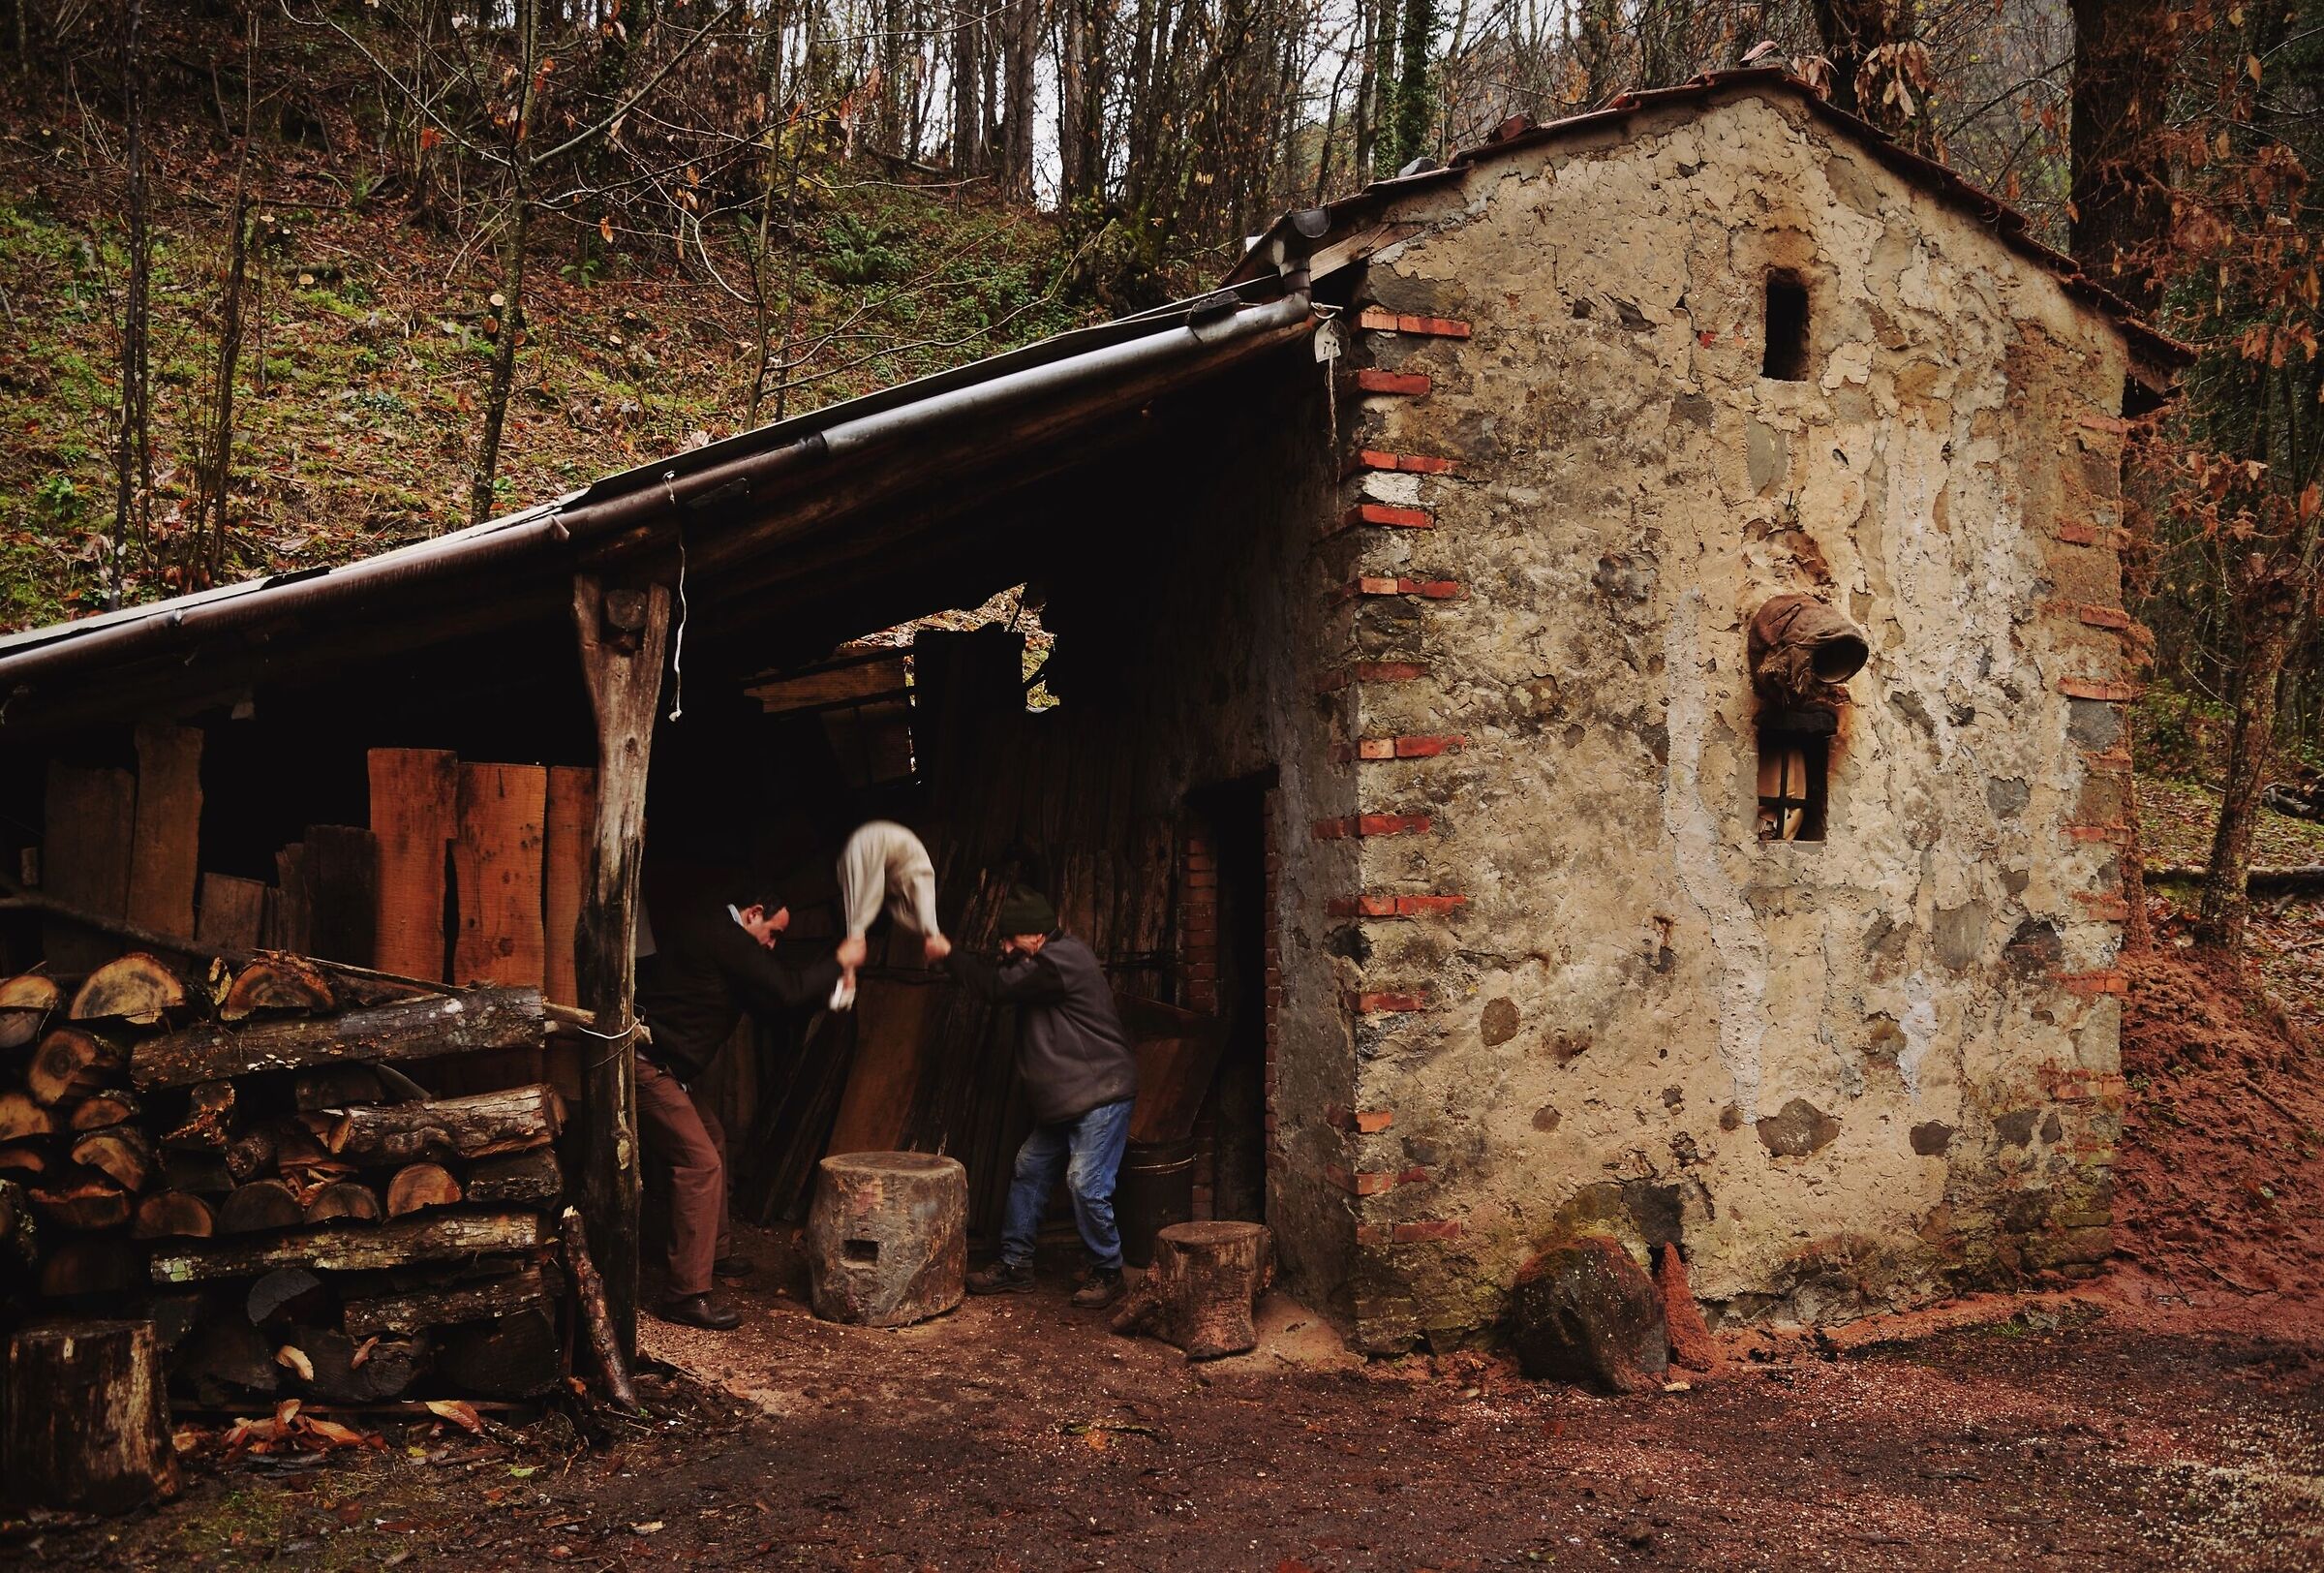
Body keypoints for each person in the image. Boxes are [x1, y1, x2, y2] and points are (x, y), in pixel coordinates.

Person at [633, 883, 841, 1330]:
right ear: (753, 913)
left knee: (713, 1139)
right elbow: (786, 988)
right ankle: (684, 1294)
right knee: (700, 1164)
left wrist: (828, 983)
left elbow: (776, 1002)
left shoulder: (727, 945)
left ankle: (714, 1252)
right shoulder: (723, 936)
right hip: (646, 1064)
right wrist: (843, 960)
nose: (771, 945)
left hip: (671, 1070)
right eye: (773, 933)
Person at [947, 886, 1139, 1309]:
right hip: (1068, 1101)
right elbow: (1002, 974)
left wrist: (948, 953)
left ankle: (1109, 1271)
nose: (1004, 947)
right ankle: (1016, 1266)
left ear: (1034, 935)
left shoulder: (1060, 962)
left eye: (1010, 939)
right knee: (1029, 1170)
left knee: (1085, 1183)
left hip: (1100, 1095)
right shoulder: (1043, 958)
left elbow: (996, 988)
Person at [831, 819, 951, 1010]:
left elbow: (861, 908)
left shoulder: (914, 873)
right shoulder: (913, 875)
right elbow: (859, 906)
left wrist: (932, 933)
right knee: (859, 921)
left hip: (877, 849)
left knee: (860, 922)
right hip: (869, 848)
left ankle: (848, 974)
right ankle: (848, 976)